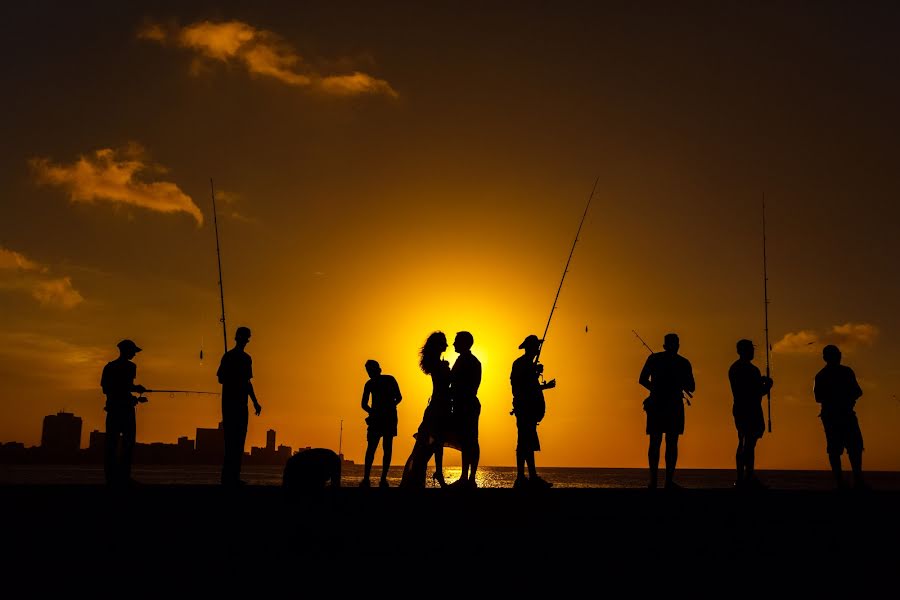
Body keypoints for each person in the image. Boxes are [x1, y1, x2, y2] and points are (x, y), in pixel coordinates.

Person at [638, 332, 695, 489]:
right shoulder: (683, 362)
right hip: (670, 405)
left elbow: (642, 380)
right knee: (668, 443)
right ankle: (664, 481)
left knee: (658, 442)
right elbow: (692, 386)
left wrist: (656, 390)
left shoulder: (655, 359)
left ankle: (655, 481)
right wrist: (661, 389)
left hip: (659, 404)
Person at [399, 331, 454, 488]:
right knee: (433, 442)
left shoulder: (437, 364)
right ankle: (432, 474)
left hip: (438, 405)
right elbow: (446, 385)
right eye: (444, 342)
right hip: (439, 406)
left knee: (429, 444)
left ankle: (432, 473)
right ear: (438, 345)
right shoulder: (440, 365)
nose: (447, 345)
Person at [814, 344, 867, 490]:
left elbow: (818, 397)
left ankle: (847, 482)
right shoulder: (842, 372)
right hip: (840, 415)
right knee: (848, 447)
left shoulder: (822, 375)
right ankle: (852, 481)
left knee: (844, 448)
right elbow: (857, 392)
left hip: (835, 415)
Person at [216, 326, 262, 487]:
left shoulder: (236, 357)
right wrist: (254, 401)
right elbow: (222, 378)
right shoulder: (231, 357)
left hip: (239, 405)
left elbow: (246, 382)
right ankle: (229, 477)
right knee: (232, 441)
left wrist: (255, 402)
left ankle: (232, 476)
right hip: (232, 405)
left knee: (237, 441)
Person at [510, 334, 556, 489]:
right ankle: (523, 478)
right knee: (524, 442)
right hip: (524, 409)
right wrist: (533, 373)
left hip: (528, 409)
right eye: (536, 346)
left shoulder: (527, 365)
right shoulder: (521, 364)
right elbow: (520, 387)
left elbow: (530, 387)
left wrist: (541, 382)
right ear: (530, 348)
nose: (538, 349)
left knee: (527, 442)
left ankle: (529, 477)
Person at [100, 339, 147, 486]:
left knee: (112, 444)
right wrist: (134, 393)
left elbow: (108, 389)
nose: (134, 354)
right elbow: (124, 387)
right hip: (125, 411)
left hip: (113, 409)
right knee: (127, 444)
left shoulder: (109, 367)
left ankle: (111, 478)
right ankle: (123, 477)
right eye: (133, 351)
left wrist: (134, 390)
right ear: (127, 351)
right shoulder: (131, 367)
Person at [728, 339, 773, 489]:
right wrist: (768, 386)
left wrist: (761, 384)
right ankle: (746, 478)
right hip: (750, 409)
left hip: (741, 408)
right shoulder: (751, 370)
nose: (752, 352)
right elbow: (756, 393)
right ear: (742, 351)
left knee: (744, 441)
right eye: (749, 349)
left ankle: (744, 477)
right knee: (748, 443)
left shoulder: (734, 368)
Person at [360, 359, 402, 488]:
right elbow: (364, 404)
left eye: (370, 370)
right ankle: (370, 479)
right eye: (368, 371)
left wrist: (384, 408)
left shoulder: (386, 380)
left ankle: (380, 479)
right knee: (376, 448)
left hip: (386, 418)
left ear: (377, 369)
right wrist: (375, 411)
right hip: (380, 418)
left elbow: (399, 397)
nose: (369, 373)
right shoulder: (371, 383)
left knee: (382, 448)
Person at [450, 331, 482, 488]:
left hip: (466, 405)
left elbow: (468, 387)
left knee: (471, 440)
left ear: (463, 343)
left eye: (456, 341)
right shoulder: (466, 360)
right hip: (463, 404)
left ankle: (470, 478)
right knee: (466, 440)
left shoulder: (469, 361)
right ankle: (466, 477)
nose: (453, 344)